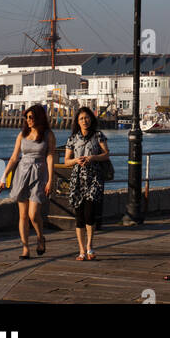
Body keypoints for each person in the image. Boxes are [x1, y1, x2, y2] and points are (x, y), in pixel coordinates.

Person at [0, 103, 55, 259]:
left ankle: (40, 237)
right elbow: (13, 157)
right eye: (27, 117)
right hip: (22, 173)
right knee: (22, 215)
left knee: (33, 214)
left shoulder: (48, 135)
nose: (28, 120)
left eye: (31, 117)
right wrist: (3, 178)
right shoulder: (22, 135)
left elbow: (50, 156)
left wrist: (51, 179)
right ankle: (25, 248)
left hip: (39, 173)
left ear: (38, 117)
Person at [64, 106, 110, 261]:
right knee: (79, 216)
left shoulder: (98, 136)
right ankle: (81, 250)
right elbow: (66, 161)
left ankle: (90, 246)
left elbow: (106, 154)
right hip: (77, 179)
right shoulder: (72, 138)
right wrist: (76, 160)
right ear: (77, 121)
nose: (85, 121)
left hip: (94, 178)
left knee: (90, 213)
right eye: (82, 118)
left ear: (91, 119)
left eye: (87, 118)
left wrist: (92, 158)